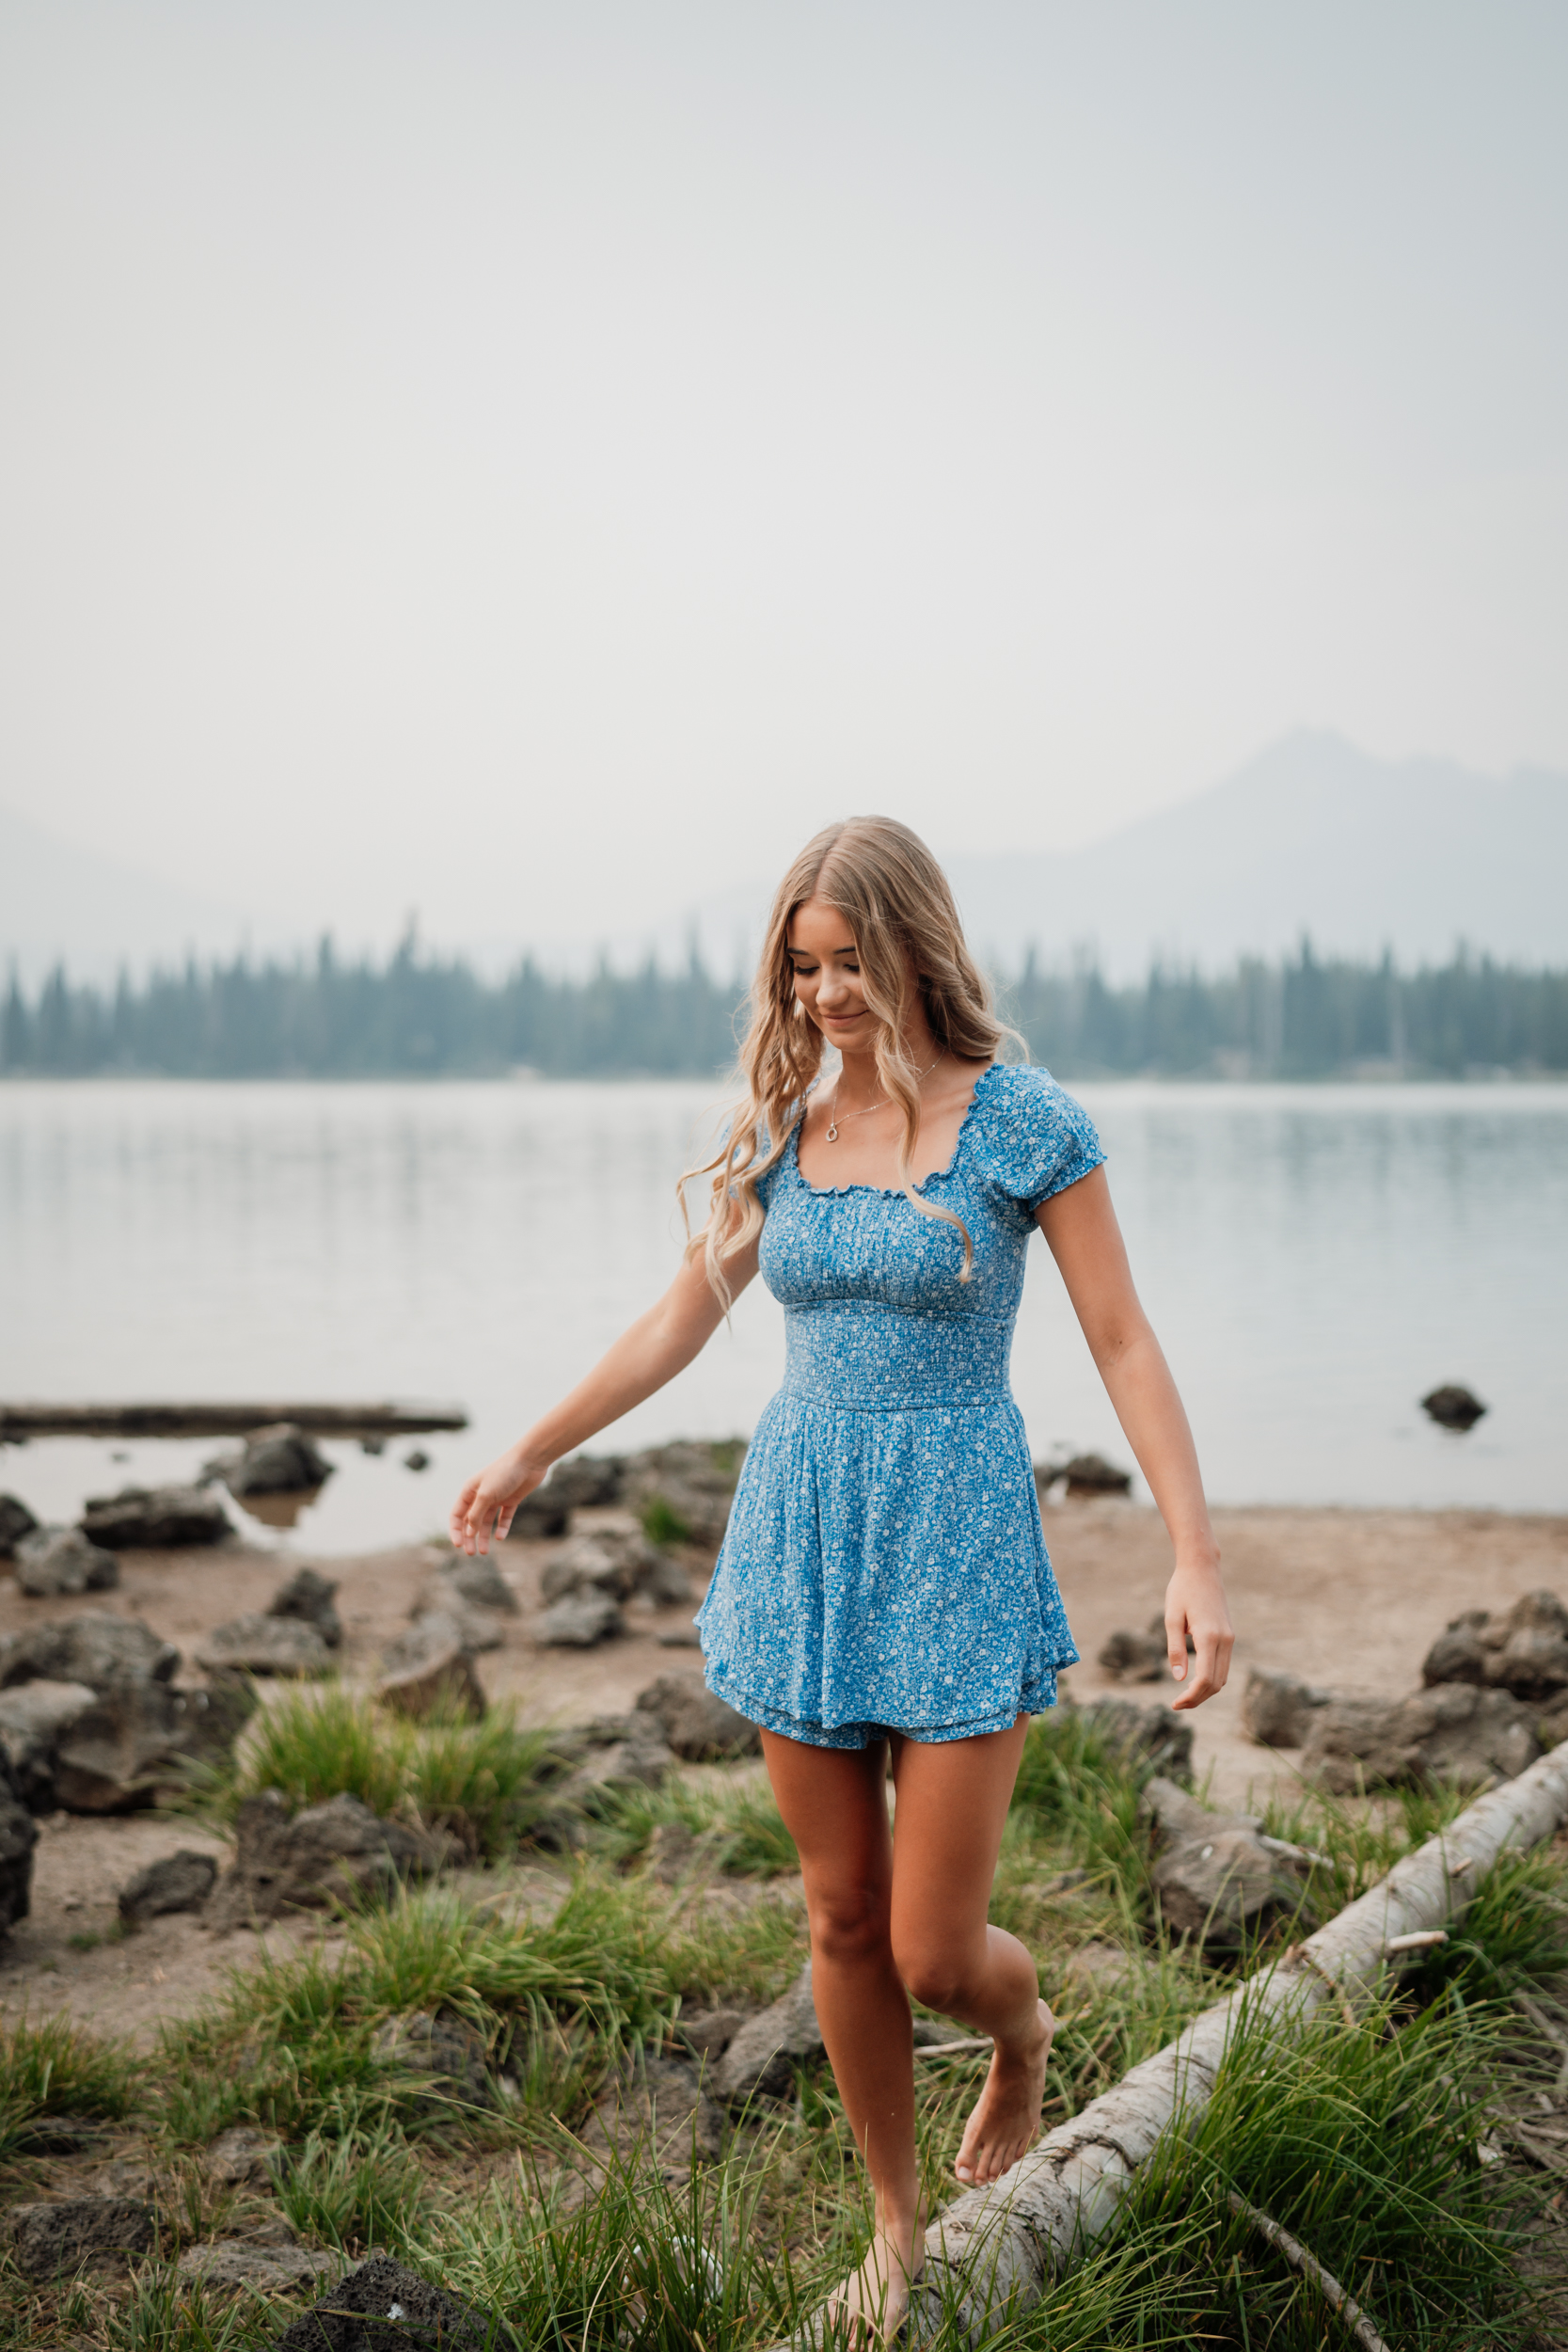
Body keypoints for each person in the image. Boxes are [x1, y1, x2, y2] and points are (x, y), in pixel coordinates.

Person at [452, 816, 1234, 2343]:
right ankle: (897, 2217)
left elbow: (1122, 1341)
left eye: (848, 963)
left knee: (938, 1950)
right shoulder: (785, 1130)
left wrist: (1193, 1553)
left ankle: (1022, 2032)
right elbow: (679, 1318)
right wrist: (535, 1446)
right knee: (837, 1917)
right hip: (802, 1538)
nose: (823, 997)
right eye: (801, 970)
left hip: (958, 1536)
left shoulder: (1025, 1124)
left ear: (914, 947)